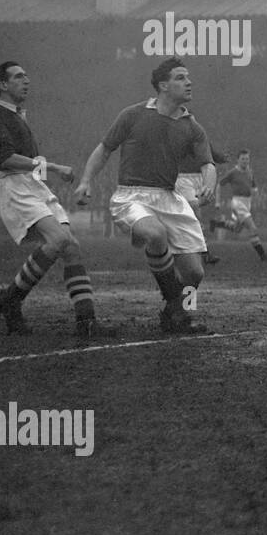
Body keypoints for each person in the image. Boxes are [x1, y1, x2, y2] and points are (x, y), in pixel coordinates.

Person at [74, 59, 218, 334]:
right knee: (154, 234)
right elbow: (104, 149)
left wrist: (209, 185)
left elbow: (207, 164)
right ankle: (176, 303)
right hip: (132, 197)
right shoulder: (133, 114)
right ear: (163, 86)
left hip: (169, 197)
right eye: (180, 78)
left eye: (188, 77)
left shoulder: (192, 126)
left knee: (195, 273)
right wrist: (84, 181)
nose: (189, 82)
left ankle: (176, 317)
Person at [0, 61, 112, 338]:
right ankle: (11, 299)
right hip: (11, 185)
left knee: (71, 246)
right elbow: (6, 160)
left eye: (27, 76)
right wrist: (54, 168)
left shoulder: (18, 116)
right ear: (2, 85)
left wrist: (46, 171)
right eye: (19, 77)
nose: (27, 80)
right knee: (58, 240)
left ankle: (86, 320)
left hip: (31, 184)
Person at [210, 149, 267, 261]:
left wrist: (255, 191)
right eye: (243, 159)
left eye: (247, 159)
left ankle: (217, 223)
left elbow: (253, 186)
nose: (245, 161)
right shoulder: (233, 172)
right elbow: (219, 185)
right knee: (252, 228)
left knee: (237, 228)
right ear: (238, 160)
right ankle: (262, 255)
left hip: (247, 203)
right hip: (238, 203)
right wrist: (218, 202)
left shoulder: (249, 171)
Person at [176, 139, 230, 265]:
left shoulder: (199, 136)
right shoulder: (177, 134)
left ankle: (194, 250)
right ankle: (202, 252)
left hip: (199, 178)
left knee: (194, 215)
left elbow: (210, 153)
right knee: (194, 213)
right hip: (183, 178)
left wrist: (222, 158)